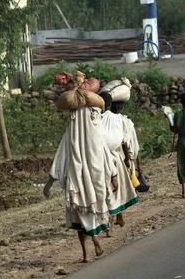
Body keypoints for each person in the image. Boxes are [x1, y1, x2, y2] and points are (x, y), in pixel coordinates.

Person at [44, 106, 118, 263]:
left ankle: (86, 254)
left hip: (76, 182)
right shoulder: (96, 134)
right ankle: (95, 241)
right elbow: (107, 156)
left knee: (79, 218)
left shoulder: (69, 135)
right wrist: (114, 176)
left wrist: (49, 183)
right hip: (95, 181)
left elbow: (59, 159)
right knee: (92, 213)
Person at [99, 94, 139, 232]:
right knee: (114, 190)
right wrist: (127, 159)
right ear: (110, 105)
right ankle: (115, 220)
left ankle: (111, 223)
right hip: (115, 158)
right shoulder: (118, 120)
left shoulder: (95, 120)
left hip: (101, 160)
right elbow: (124, 142)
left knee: (108, 192)